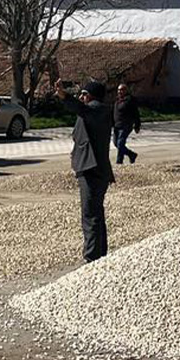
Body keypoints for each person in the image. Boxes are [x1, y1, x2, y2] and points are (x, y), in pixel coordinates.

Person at [55, 80, 115, 263]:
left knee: (90, 215)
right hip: (92, 168)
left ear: (91, 96)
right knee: (95, 213)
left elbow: (81, 109)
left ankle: (92, 257)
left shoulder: (96, 109)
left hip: (92, 170)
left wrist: (64, 96)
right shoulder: (94, 112)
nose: (81, 97)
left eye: (84, 94)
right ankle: (100, 253)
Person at [113, 84, 142, 165]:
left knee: (120, 143)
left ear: (126, 90)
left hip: (126, 125)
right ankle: (131, 154)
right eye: (118, 90)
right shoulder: (117, 100)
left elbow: (136, 113)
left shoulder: (130, 100)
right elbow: (114, 113)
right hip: (117, 125)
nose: (120, 91)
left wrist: (137, 125)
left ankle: (119, 161)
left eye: (122, 90)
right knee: (116, 143)